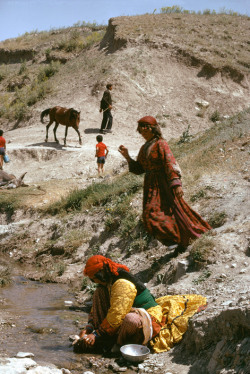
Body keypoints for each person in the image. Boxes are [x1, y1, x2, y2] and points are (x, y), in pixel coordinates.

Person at [72, 255, 207, 354]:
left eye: (94, 278)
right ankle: (104, 337)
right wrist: (89, 328)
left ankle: (117, 344)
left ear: (101, 274)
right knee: (98, 294)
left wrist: (96, 335)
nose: (94, 281)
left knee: (131, 320)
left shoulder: (122, 284)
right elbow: (99, 308)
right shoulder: (106, 284)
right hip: (124, 313)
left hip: (148, 315)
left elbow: (117, 315)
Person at [118, 116, 211, 250]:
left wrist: (176, 184)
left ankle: (179, 240)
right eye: (141, 131)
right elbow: (139, 169)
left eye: (145, 130)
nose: (143, 133)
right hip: (151, 186)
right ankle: (178, 242)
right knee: (151, 215)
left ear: (153, 129)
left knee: (169, 212)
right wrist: (127, 156)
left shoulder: (161, 144)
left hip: (164, 184)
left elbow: (169, 163)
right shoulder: (144, 147)